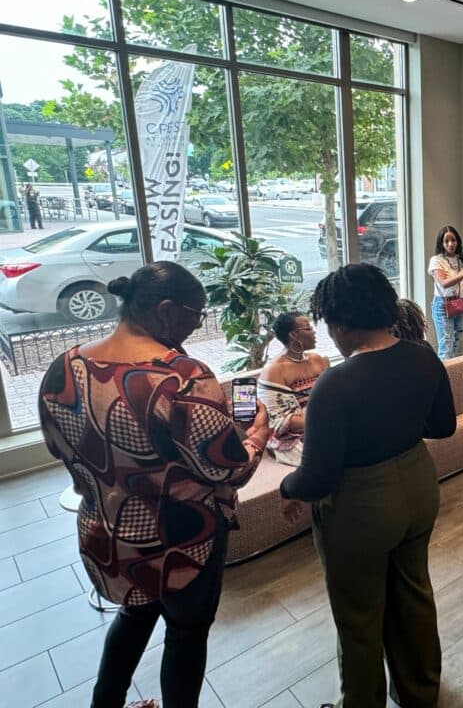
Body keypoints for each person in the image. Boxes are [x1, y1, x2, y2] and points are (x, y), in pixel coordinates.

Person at [37, 262, 269, 708]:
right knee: (185, 631)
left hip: (106, 532)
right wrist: (258, 434)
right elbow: (230, 470)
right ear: (165, 310)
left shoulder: (63, 368)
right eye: (195, 314)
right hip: (181, 540)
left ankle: (104, 703)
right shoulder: (181, 377)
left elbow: (57, 448)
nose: (198, 325)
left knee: (134, 611)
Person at [279, 264, 456, 708]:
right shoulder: (423, 356)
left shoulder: (335, 385)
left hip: (359, 508)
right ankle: (419, 693)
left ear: (339, 323)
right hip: (418, 486)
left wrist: (285, 487)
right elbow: (443, 425)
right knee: (414, 596)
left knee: (358, 617)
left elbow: (317, 476)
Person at [257, 311, 330, 467]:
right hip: (291, 438)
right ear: (293, 335)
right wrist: (326, 421)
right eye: (308, 328)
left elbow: (332, 398)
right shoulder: (275, 370)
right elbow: (280, 421)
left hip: (322, 424)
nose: (314, 332)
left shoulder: (317, 360)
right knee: (327, 456)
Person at [429, 225, 463, 360]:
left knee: (456, 342)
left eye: (453, 240)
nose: (451, 244)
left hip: (459, 302)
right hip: (443, 304)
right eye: (447, 241)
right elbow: (444, 283)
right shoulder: (437, 260)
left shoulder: (460, 260)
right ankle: (444, 379)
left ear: (458, 241)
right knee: (446, 345)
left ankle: (454, 376)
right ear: (442, 243)